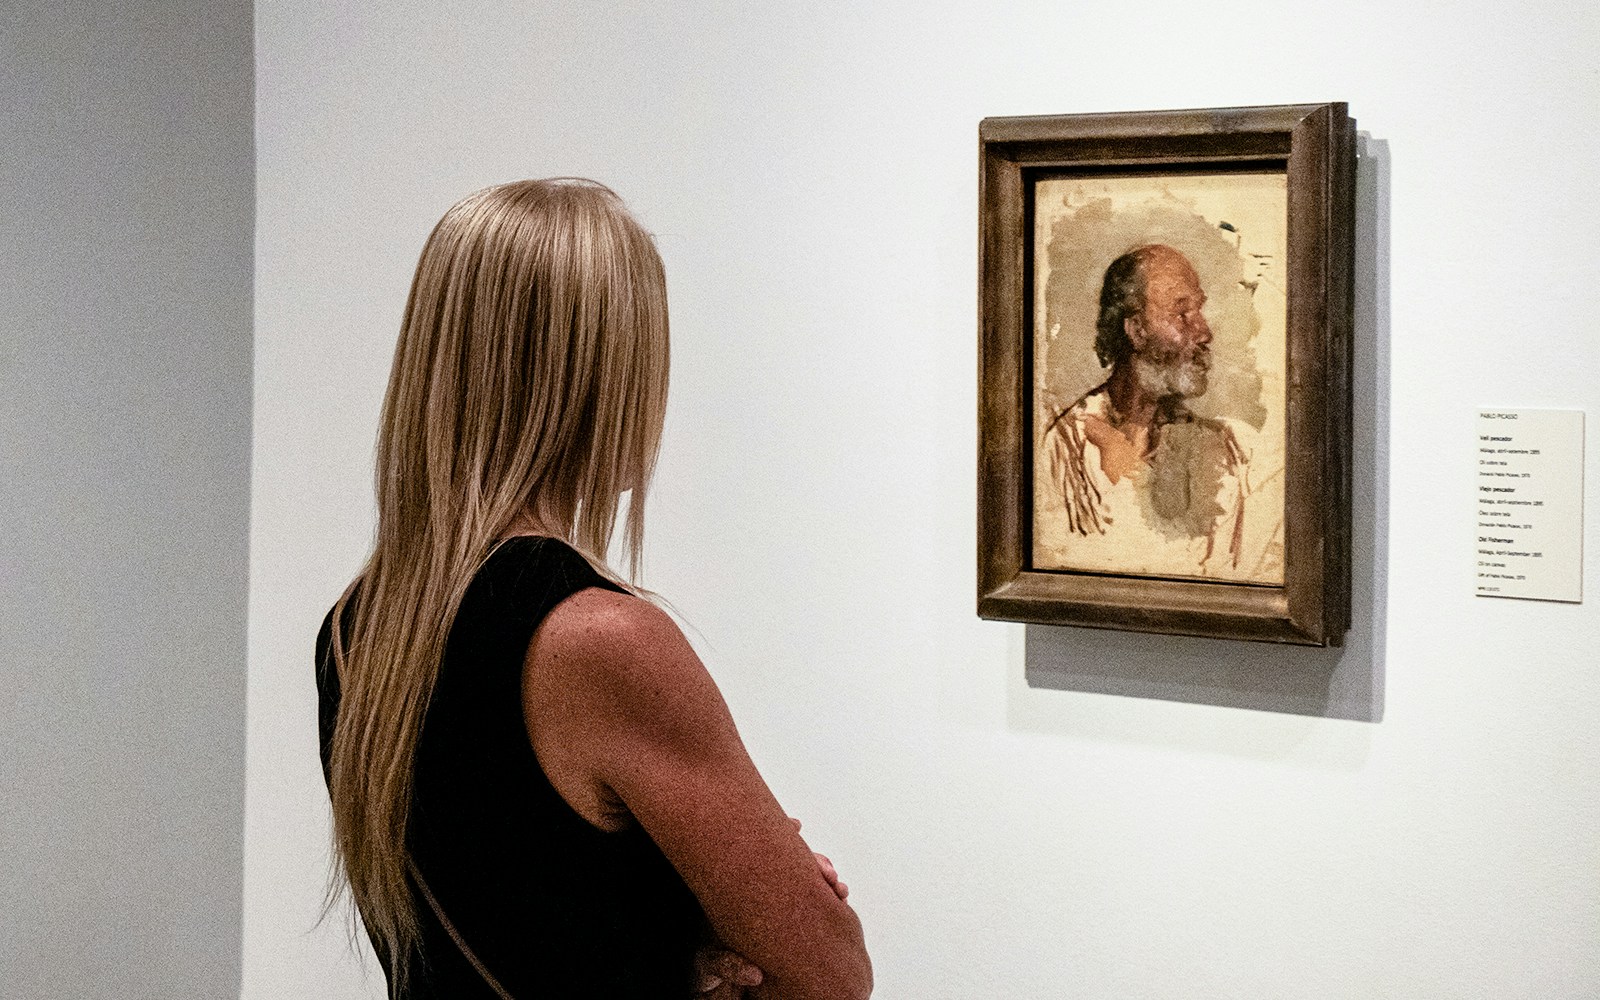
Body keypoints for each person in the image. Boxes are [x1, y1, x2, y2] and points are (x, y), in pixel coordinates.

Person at [315, 178, 872, 1000]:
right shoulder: (599, 641)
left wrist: (674, 936)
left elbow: (524, 910)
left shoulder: (352, 628)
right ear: (599, 376)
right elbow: (833, 972)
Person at [1038, 244, 1281, 581]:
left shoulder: (1233, 447)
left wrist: (1131, 474)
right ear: (1136, 330)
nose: (1205, 332)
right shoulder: (1066, 449)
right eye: (1182, 314)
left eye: (1200, 310)